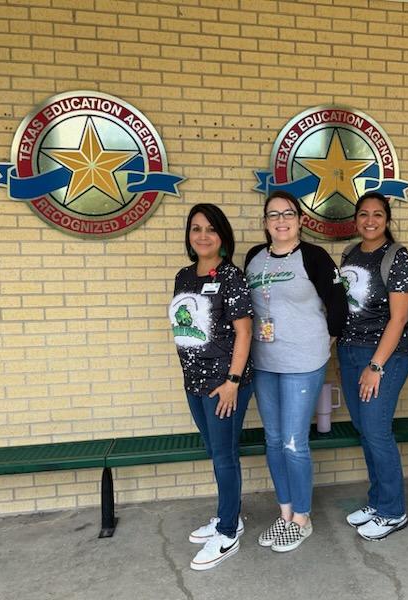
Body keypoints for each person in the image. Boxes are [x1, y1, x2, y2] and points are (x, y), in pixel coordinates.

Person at [244, 191, 348, 552]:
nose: (281, 221)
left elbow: (338, 303)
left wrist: (325, 341)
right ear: (265, 222)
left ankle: (302, 518)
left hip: (303, 363)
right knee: (273, 440)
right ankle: (285, 512)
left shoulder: (314, 257)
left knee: (293, 442)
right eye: (273, 215)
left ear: (300, 220)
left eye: (288, 213)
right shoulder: (254, 259)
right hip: (264, 362)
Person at [169, 203, 254, 571]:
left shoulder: (232, 276)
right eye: (196, 228)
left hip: (224, 384)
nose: (202, 236)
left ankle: (227, 532)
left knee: (224, 455)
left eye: (210, 229)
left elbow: (245, 332)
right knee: (215, 451)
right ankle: (229, 515)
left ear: (222, 236)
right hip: (194, 382)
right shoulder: (184, 276)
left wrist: (232, 382)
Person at [338, 191, 408, 541]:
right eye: (363, 214)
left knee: (376, 430)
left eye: (377, 215)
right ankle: (377, 501)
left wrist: (376, 365)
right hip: (349, 352)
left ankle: (393, 511)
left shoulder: (396, 256)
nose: (370, 221)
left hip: (383, 356)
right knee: (364, 429)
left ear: (387, 220)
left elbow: (399, 319)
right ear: (355, 219)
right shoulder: (349, 253)